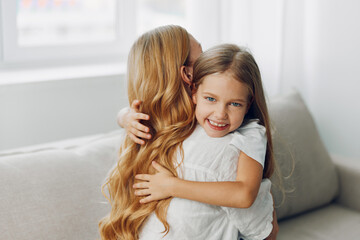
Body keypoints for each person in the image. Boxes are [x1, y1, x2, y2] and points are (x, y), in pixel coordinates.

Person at [99, 25, 277, 240]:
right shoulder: (155, 127)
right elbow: (266, 232)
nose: (210, 61)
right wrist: (125, 116)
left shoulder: (150, 130)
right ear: (188, 77)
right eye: (201, 57)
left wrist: (125, 116)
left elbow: (246, 198)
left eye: (235, 104)